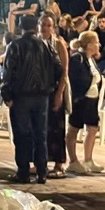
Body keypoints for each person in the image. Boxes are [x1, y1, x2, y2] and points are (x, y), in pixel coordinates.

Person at [1, 15, 63, 184]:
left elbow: (8, 71)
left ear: (20, 27)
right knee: (40, 134)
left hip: (21, 97)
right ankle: (42, 171)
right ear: (36, 27)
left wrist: (6, 94)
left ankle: (23, 172)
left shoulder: (15, 46)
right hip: (42, 97)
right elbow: (58, 68)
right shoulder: (46, 46)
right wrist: (50, 85)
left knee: (22, 134)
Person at [67, 30, 104, 174]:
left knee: (93, 128)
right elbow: (77, 80)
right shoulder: (77, 59)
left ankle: (88, 159)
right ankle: (73, 161)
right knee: (74, 128)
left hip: (92, 100)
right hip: (81, 100)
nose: (99, 45)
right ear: (89, 45)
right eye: (96, 42)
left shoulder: (91, 59)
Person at [39, 14, 70, 178]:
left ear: (53, 27)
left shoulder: (58, 44)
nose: (45, 28)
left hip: (55, 89)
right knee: (41, 128)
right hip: (40, 90)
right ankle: (40, 161)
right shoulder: (37, 43)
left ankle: (59, 163)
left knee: (57, 128)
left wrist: (59, 93)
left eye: (48, 25)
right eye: (43, 24)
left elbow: (65, 71)